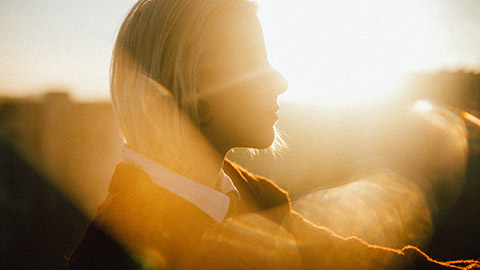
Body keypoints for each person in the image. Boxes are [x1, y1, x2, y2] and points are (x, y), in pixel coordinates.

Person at [67, 0, 480, 269]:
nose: (280, 80)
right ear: (188, 81)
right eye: (252, 60)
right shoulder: (111, 256)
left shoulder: (250, 196)